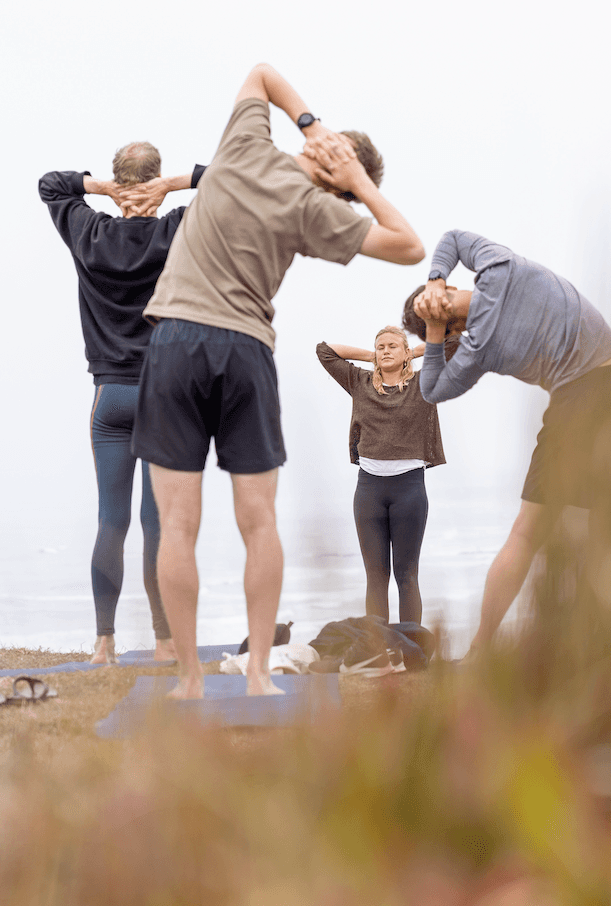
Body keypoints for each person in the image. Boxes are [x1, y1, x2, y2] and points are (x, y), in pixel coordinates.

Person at [131, 63, 425, 699]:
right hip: (243, 351)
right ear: (344, 188)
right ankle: (260, 675)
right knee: (257, 521)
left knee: (176, 525)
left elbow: (262, 73)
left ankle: (188, 682)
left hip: (176, 340)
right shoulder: (321, 212)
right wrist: (355, 182)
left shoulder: (243, 145)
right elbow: (410, 247)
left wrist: (312, 124)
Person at [402, 230, 611, 653]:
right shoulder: (500, 268)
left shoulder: (476, 345)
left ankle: (482, 649)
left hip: (578, 396)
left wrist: (432, 330)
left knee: (527, 534)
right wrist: (435, 279)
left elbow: (431, 388)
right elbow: (452, 239)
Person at [39, 148, 206, 664]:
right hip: (166, 398)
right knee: (159, 526)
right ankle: (162, 643)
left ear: (118, 181)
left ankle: (104, 643)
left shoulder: (89, 233)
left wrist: (101, 189)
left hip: (110, 399)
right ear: (155, 183)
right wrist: (177, 184)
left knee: (112, 522)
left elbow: (50, 184)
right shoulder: (178, 229)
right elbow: (236, 183)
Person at [315, 327, 445, 625]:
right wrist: (370, 357)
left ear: (405, 353)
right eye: (380, 347)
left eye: (392, 347)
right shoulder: (360, 381)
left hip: (409, 489)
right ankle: (381, 656)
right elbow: (324, 350)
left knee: (407, 576)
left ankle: (413, 658)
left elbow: (452, 345)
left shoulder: (423, 382)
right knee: (376, 577)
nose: (385, 351)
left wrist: (415, 351)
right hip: (369, 490)